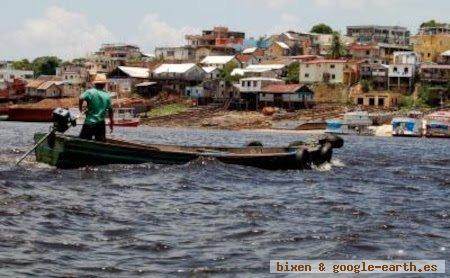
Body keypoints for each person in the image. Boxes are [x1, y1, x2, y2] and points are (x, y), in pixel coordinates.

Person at [79, 74, 114, 141]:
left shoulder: (89, 92)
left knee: (83, 141)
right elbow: (111, 110)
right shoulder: (107, 96)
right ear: (104, 84)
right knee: (100, 142)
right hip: (100, 124)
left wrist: (80, 110)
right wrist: (111, 122)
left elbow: (80, 98)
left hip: (90, 122)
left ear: (95, 83)